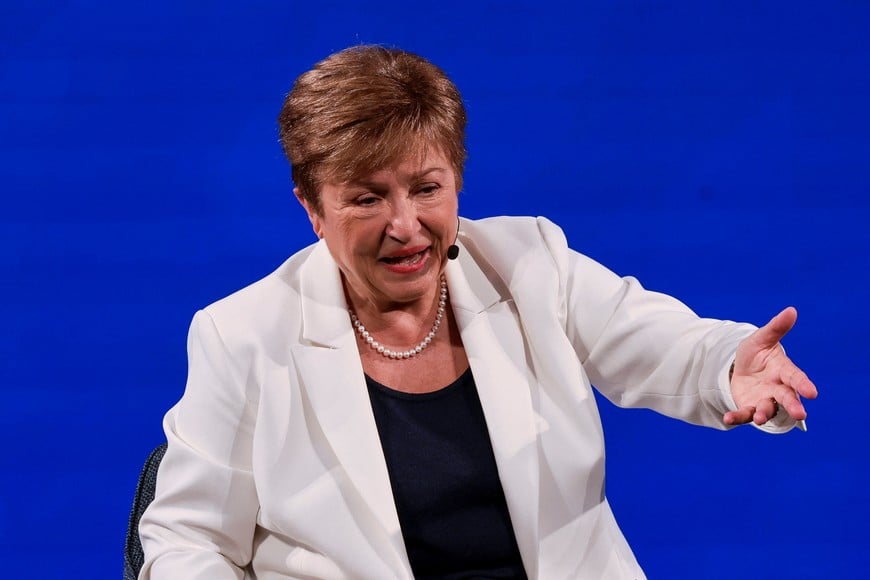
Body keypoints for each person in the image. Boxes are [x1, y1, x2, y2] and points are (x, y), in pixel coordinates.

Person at [138, 45, 817, 579]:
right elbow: (187, 540)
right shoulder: (244, 336)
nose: (405, 225)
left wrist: (733, 365)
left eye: (427, 188)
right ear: (313, 209)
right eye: (367, 198)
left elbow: (665, 343)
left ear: (457, 180)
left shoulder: (529, 262)